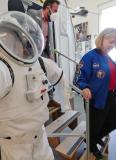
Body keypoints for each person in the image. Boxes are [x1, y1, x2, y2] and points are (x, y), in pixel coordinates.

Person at [0, 11, 69, 160]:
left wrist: (65, 105)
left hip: (41, 137)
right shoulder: (3, 70)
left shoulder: (40, 63)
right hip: (14, 146)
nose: (16, 43)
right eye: (11, 37)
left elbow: (61, 76)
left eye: (18, 38)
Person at [77, 28, 116, 159]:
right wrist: (84, 87)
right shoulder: (90, 56)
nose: (112, 45)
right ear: (102, 39)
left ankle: (92, 138)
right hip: (96, 98)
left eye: (115, 43)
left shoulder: (107, 57)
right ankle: (92, 145)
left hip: (110, 96)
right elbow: (78, 77)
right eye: (110, 41)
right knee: (95, 125)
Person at [28, 0, 61, 108]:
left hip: (44, 52)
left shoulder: (50, 22)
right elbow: (25, 32)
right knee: (37, 77)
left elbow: (49, 40)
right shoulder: (32, 13)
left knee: (49, 74)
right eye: (55, 10)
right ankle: (38, 102)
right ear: (48, 7)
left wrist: (51, 56)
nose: (55, 13)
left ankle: (50, 99)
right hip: (32, 52)